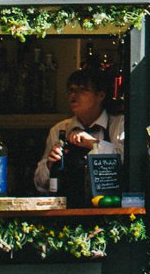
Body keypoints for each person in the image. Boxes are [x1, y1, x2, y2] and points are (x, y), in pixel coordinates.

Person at [32, 69, 122, 198]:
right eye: (71, 90)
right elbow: (40, 185)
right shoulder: (59, 130)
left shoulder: (119, 124)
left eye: (82, 90)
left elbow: (127, 163)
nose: (74, 95)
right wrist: (50, 164)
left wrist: (94, 144)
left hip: (109, 208)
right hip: (67, 209)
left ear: (100, 96)